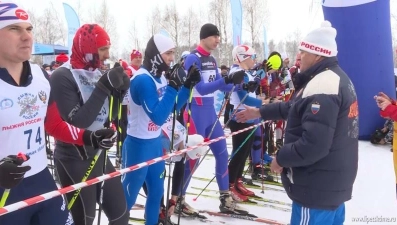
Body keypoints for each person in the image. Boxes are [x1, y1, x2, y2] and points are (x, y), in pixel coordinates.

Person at [0, 1, 116, 225]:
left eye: (29, 29)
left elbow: (53, 125)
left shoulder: (40, 75)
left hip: (42, 180)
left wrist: (89, 137)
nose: (26, 36)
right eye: (15, 29)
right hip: (5, 190)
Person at [235, 21, 359, 225]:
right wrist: (259, 111)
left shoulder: (323, 85)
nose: (299, 56)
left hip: (316, 189)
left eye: (303, 51)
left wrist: (281, 158)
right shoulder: (333, 78)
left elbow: (314, 144)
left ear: (318, 55)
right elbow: (295, 107)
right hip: (330, 185)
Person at [50, 24, 130, 225]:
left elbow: (105, 116)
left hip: (98, 152)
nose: (106, 55)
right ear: (87, 48)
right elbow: (77, 122)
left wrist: (118, 93)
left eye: (107, 49)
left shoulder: (96, 72)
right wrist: (104, 87)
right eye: (102, 49)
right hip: (73, 155)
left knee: (120, 215)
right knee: (84, 219)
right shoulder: (62, 76)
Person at [121, 33, 200, 225]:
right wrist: (173, 86)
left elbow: (171, 108)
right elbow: (157, 117)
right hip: (137, 147)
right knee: (128, 199)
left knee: (157, 193)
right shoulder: (142, 80)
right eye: (168, 53)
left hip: (155, 144)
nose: (172, 58)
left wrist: (187, 86)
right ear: (156, 55)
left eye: (173, 53)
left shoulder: (161, 78)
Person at [174, 23, 247, 216]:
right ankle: (179, 199)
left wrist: (239, 86)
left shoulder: (212, 60)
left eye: (219, 37)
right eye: (215, 36)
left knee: (222, 153)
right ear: (204, 37)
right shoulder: (192, 58)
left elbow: (221, 87)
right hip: (195, 113)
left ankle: (225, 197)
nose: (218, 40)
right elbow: (202, 88)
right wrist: (226, 80)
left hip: (210, 115)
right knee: (192, 160)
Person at [227, 45, 265, 202]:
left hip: (248, 116)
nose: (254, 59)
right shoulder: (237, 73)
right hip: (240, 117)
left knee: (245, 152)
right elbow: (244, 97)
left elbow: (251, 92)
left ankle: (238, 181)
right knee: (238, 153)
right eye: (252, 56)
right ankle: (229, 186)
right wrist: (264, 103)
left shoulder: (246, 73)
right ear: (243, 57)